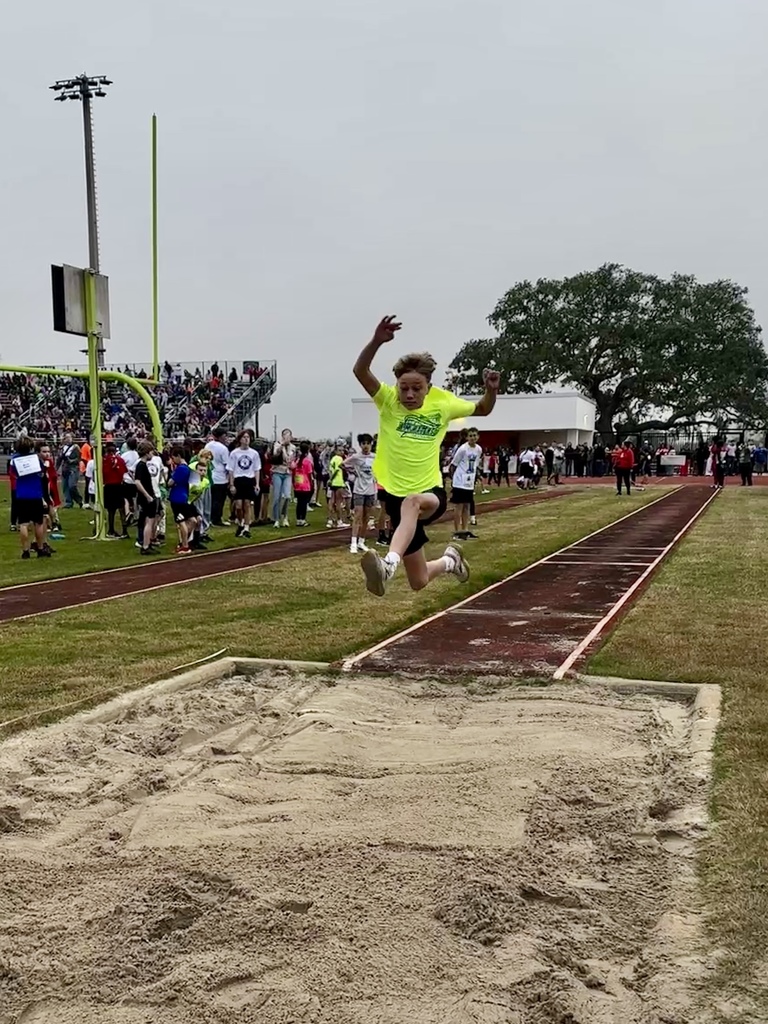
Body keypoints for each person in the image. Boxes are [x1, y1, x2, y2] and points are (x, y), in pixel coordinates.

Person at [353, 315, 499, 597]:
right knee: (418, 580)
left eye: (416, 389)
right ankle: (450, 561)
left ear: (428, 387)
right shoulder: (388, 401)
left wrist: (491, 391)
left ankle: (387, 565)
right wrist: (376, 342)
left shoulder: (442, 403)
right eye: (403, 388)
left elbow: (482, 408)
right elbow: (360, 371)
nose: (409, 394)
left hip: (429, 493)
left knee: (413, 502)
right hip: (396, 498)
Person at [10, 438, 50, 559]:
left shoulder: (14, 460)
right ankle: (40, 548)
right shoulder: (35, 458)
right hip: (35, 493)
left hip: (22, 494)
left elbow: (13, 473)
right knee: (38, 523)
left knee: (23, 524)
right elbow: (42, 471)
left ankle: (25, 550)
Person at [344, 434, 376, 553]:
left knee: (366, 517)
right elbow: (343, 464)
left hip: (370, 489)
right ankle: (353, 543)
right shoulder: (356, 457)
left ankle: (361, 541)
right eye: (363, 444)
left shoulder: (374, 457)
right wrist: (353, 472)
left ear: (371, 444)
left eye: (368, 443)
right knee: (358, 515)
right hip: (359, 489)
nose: (366, 446)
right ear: (360, 445)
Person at [228, 430, 261, 537]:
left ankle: (246, 527)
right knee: (238, 505)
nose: (246, 439)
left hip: (249, 479)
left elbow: (256, 469)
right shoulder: (234, 453)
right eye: (244, 437)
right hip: (238, 480)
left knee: (247, 504)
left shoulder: (254, 453)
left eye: (248, 437)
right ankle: (241, 522)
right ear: (240, 439)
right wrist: (232, 484)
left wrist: (257, 484)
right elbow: (231, 469)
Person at [450, 428, 482, 539]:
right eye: (471, 435)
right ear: (467, 437)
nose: (473, 438)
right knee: (459, 506)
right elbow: (454, 464)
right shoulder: (463, 449)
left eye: (475, 435)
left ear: (478, 436)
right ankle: (457, 532)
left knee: (467, 506)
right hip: (460, 481)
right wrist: (454, 479)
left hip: (469, 481)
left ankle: (465, 530)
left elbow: (475, 465)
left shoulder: (478, 449)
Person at [169, 447, 200, 554]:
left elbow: (170, 483)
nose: (173, 460)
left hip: (177, 497)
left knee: (181, 521)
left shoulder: (180, 469)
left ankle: (184, 545)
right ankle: (186, 540)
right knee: (192, 520)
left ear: (178, 456)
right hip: (186, 496)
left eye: (173, 458)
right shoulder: (190, 468)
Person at [134, 441, 159, 555]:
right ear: (147, 453)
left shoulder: (141, 465)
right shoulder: (141, 465)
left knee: (149, 521)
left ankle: (146, 543)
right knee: (149, 521)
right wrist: (148, 495)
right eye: (151, 452)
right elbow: (137, 482)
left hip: (147, 496)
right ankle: (145, 545)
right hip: (147, 498)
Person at [205, 427, 231, 526]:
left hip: (210, 476)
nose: (226, 438)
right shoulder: (223, 448)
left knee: (211, 499)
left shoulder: (208, 445)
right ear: (221, 436)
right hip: (220, 477)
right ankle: (216, 519)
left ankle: (209, 517)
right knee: (219, 500)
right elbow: (226, 464)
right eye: (225, 436)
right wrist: (229, 478)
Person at [102, 442, 129, 538]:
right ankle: (125, 530)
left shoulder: (104, 461)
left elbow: (102, 474)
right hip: (119, 486)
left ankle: (111, 530)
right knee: (121, 509)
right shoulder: (120, 460)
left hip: (109, 487)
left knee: (111, 511)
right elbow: (125, 471)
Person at [271, 429, 296, 528]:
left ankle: (284, 516)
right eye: (286, 436)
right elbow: (275, 454)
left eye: (289, 436)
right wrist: (282, 446)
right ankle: (276, 519)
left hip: (287, 472)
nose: (287, 438)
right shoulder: (277, 445)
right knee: (277, 497)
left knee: (287, 496)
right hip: (277, 471)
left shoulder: (293, 447)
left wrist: (292, 463)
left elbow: (292, 458)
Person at [292, 440, 315, 527]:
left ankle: (298, 519)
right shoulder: (307, 461)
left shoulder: (297, 461)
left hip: (298, 483)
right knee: (304, 503)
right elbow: (309, 474)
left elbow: (294, 471)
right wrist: (311, 483)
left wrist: (294, 482)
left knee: (299, 503)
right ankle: (303, 519)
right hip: (305, 484)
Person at [57, 432, 82, 509]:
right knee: (65, 486)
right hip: (65, 468)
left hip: (73, 468)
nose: (67, 439)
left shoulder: (75, 447)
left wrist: (72, 461)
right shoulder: (62, 448)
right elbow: (59, 460)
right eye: (66, 438)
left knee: (72, 486)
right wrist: (56, 469)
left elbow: (79, 458)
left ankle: (79, 500)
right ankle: (68, 502)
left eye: (69, 437)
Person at [326, 443, 348, 529]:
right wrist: (332, 479)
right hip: (338, 482)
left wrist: (330, 479)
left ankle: (330, 520)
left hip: (334, 483)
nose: (342, 452)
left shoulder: (332, 459)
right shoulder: (339, 459)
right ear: (336, 451)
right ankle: (339, 520)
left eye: (342, 450)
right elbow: (335, 471)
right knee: (339, 502)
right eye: (340, 450)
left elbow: (331, 470)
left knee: (331, 501)